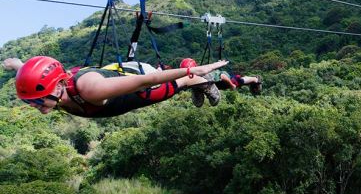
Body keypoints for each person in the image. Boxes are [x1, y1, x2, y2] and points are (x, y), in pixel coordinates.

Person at [3, 55, 231, 118]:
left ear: (57, 86)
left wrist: (194, 71)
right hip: (113, 83)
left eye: (36, 100)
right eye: (29, 101)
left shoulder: (90, 90)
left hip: (142, 82)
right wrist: (18, 65)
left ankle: (197, 82)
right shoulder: (52, 91)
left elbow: (146, 81)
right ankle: (194, 81)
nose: (34, 105)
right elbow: (36, 78)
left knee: (167, 89)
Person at [178, 58, 262, 107]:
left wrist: (231, 85)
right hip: (211, 84)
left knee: (238, 81)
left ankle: (255, 79)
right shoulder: (188, 78)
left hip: (222, 80)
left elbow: (222, 76)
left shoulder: (205, 75)